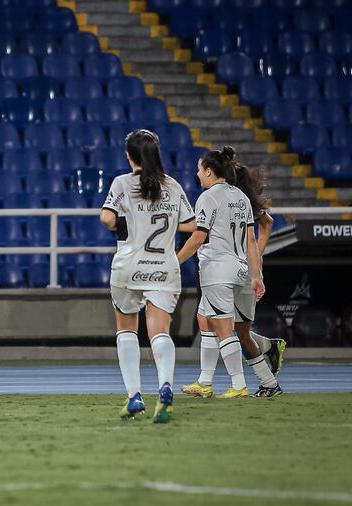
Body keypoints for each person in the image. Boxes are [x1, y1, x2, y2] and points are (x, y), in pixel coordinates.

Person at [100, 129, 197, 423]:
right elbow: (192, 226)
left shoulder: (122, 183)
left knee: (127, 329)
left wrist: (124, 223)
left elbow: (107, 218)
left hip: (129, 265)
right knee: (160, 332)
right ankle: (165, 385)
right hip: (164, 267)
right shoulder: (174, 186)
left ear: (129, 156)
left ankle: (134, 396)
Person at [181, 160, 284, 398]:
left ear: (211, 172)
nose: (197, 174)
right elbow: (255, 235)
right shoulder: (243, 200)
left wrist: (175, 260)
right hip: (245, 268)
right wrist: (256, 270)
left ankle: (239, 384)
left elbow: (199, 233)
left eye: (200, 169)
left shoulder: (214, 198)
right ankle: (209, 381)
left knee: (227, 329)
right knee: (210, 321)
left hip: (224, 269)